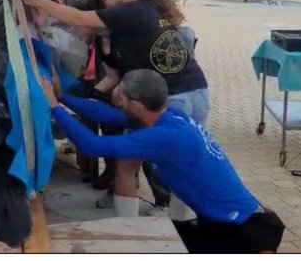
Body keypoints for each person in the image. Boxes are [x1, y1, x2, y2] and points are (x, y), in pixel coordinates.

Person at [21, 0, 210, 209]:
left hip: (171, 99)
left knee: (127, 164)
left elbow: (79, 17)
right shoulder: (150, 8)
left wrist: (38, 0)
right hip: (197, 92)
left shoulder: (129, 11)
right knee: (183, 163)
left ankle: (131, 224)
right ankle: (183, 221)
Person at [41, 70, 284, 254]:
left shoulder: (166, 137)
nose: (116, 102)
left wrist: (54, 107)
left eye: (120, 98)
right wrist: (62, 98)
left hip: (245, 234)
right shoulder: (171, 116)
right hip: (228, 222)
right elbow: (109, 115)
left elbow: (92, 145)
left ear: (137, 105)